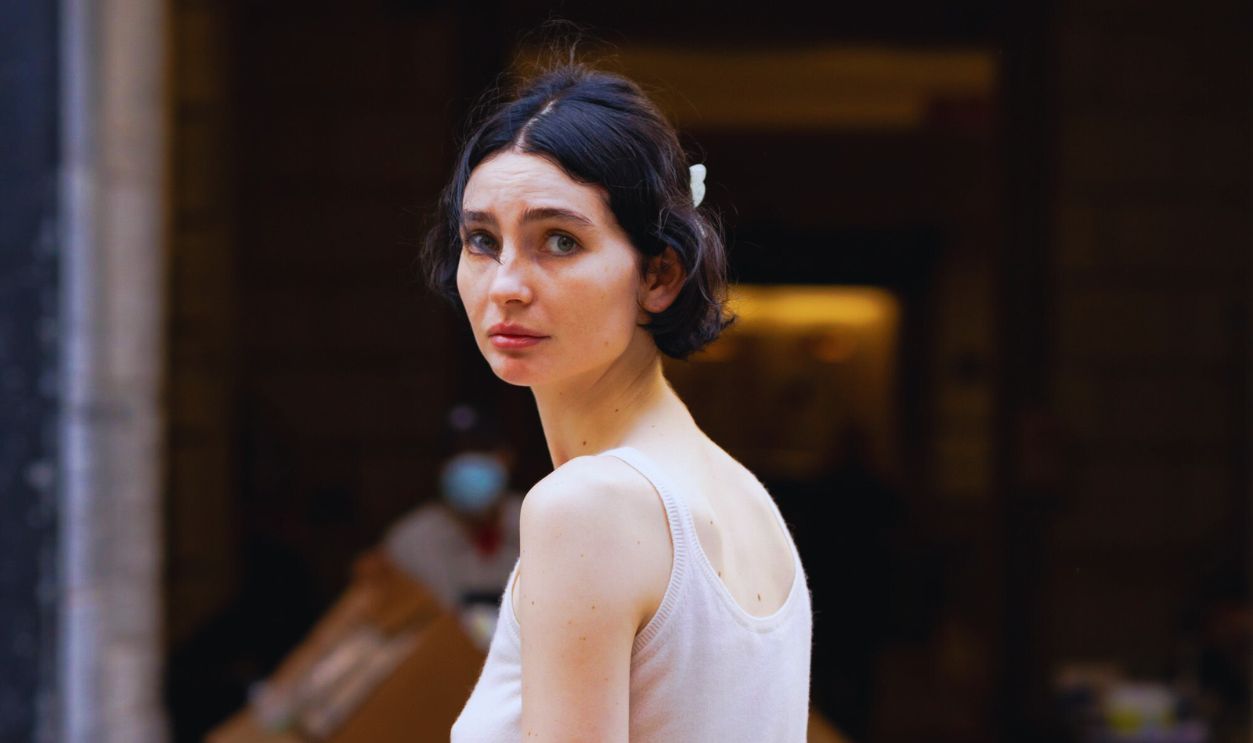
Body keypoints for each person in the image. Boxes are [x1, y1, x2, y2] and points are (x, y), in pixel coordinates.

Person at [421, 54, 813, 742]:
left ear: (659, 276)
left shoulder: (586, 506)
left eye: (559, 241)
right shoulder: (744, 498)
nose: (505, 284)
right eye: (481, 240)